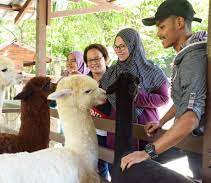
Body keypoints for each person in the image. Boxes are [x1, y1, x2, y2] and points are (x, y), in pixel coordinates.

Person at [120, 0, 207, 181]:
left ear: (180, 23)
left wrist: (147, 153)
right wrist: (162, 121)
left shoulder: (193, 58)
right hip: (189, 140)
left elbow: (191, 117)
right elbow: (184, 100)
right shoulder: (185, 56)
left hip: (199, 142)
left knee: (135, 165)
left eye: (161, 26)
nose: (158, 33)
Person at [100, 28, 169, 151]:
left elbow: (164, 99)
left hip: (144, 127)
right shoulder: (111, 72)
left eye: (122, 46)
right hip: (118, 127)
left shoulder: (152, 70)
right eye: (116, 47)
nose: (118, 50)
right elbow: (104, 94)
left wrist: (136, 97)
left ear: (133, 45)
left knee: (146, 165)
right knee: (117, 164)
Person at [83, 43, 113, 181]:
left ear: (105, 58)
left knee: (115, 169)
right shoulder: (83, 82)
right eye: (90, 60)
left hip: (113, 134)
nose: (94, 63)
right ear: (86, 63)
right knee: (97, 170)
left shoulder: (115, 78)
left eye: (97, 58)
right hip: (92, 133)